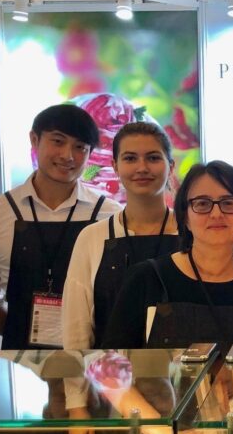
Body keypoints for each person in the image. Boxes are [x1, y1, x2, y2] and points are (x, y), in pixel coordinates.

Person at [0, 104, 121, 350]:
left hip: (95, 363)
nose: (68, 156)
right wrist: (24, 341)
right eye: (58, 141)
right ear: (34, 139)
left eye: (80, 147)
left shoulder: (111, 215)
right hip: (22, 366)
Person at [101, 161, 233, 350]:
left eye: (228, 203)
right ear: (185, 218)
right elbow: (113, 367)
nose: (216, 213)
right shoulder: (145, 279)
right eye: (202, 203)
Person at [63, 121, 181, 353]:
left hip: (186, 382)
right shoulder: (92, 237)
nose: (142, 167)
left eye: (153, 158)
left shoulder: (193, 233)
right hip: (111, 383)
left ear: (171, 166)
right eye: (130, 158)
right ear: (115, 166)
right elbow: (76, 332)